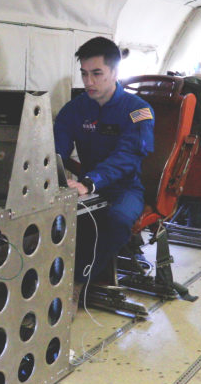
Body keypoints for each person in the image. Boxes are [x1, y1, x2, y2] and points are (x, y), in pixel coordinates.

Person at [53, 36, 154, 286]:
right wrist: (51, 174)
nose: (89, 82)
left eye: (97, 73)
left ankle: (75, 286)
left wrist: (89, 182)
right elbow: (55, 150)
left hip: (124, 189)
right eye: (84, 74)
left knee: (117, 221)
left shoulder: (138, 111)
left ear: (115, 71)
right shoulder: (74, 109)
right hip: (84, 188)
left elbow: (128, 156)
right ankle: (53, 280)